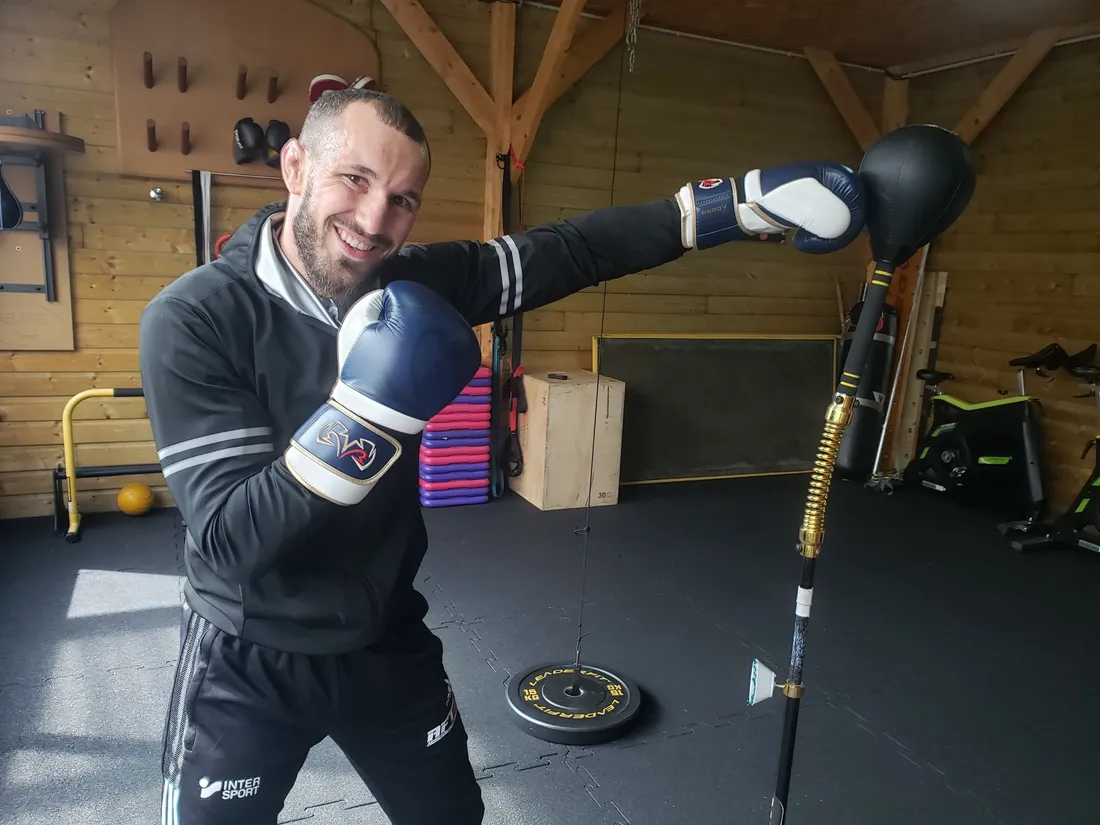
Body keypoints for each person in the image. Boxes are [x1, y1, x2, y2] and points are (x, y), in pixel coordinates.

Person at [139, 87, 865, 825]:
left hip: (384, 637)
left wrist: (719, 210)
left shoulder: (407, 280)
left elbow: (565, 252)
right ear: (296, 166)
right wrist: (365, 412)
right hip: (249, 657)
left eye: (402, 199)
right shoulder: (195, 318)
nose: (373, 222)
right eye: (353, 180)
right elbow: (230, 540)